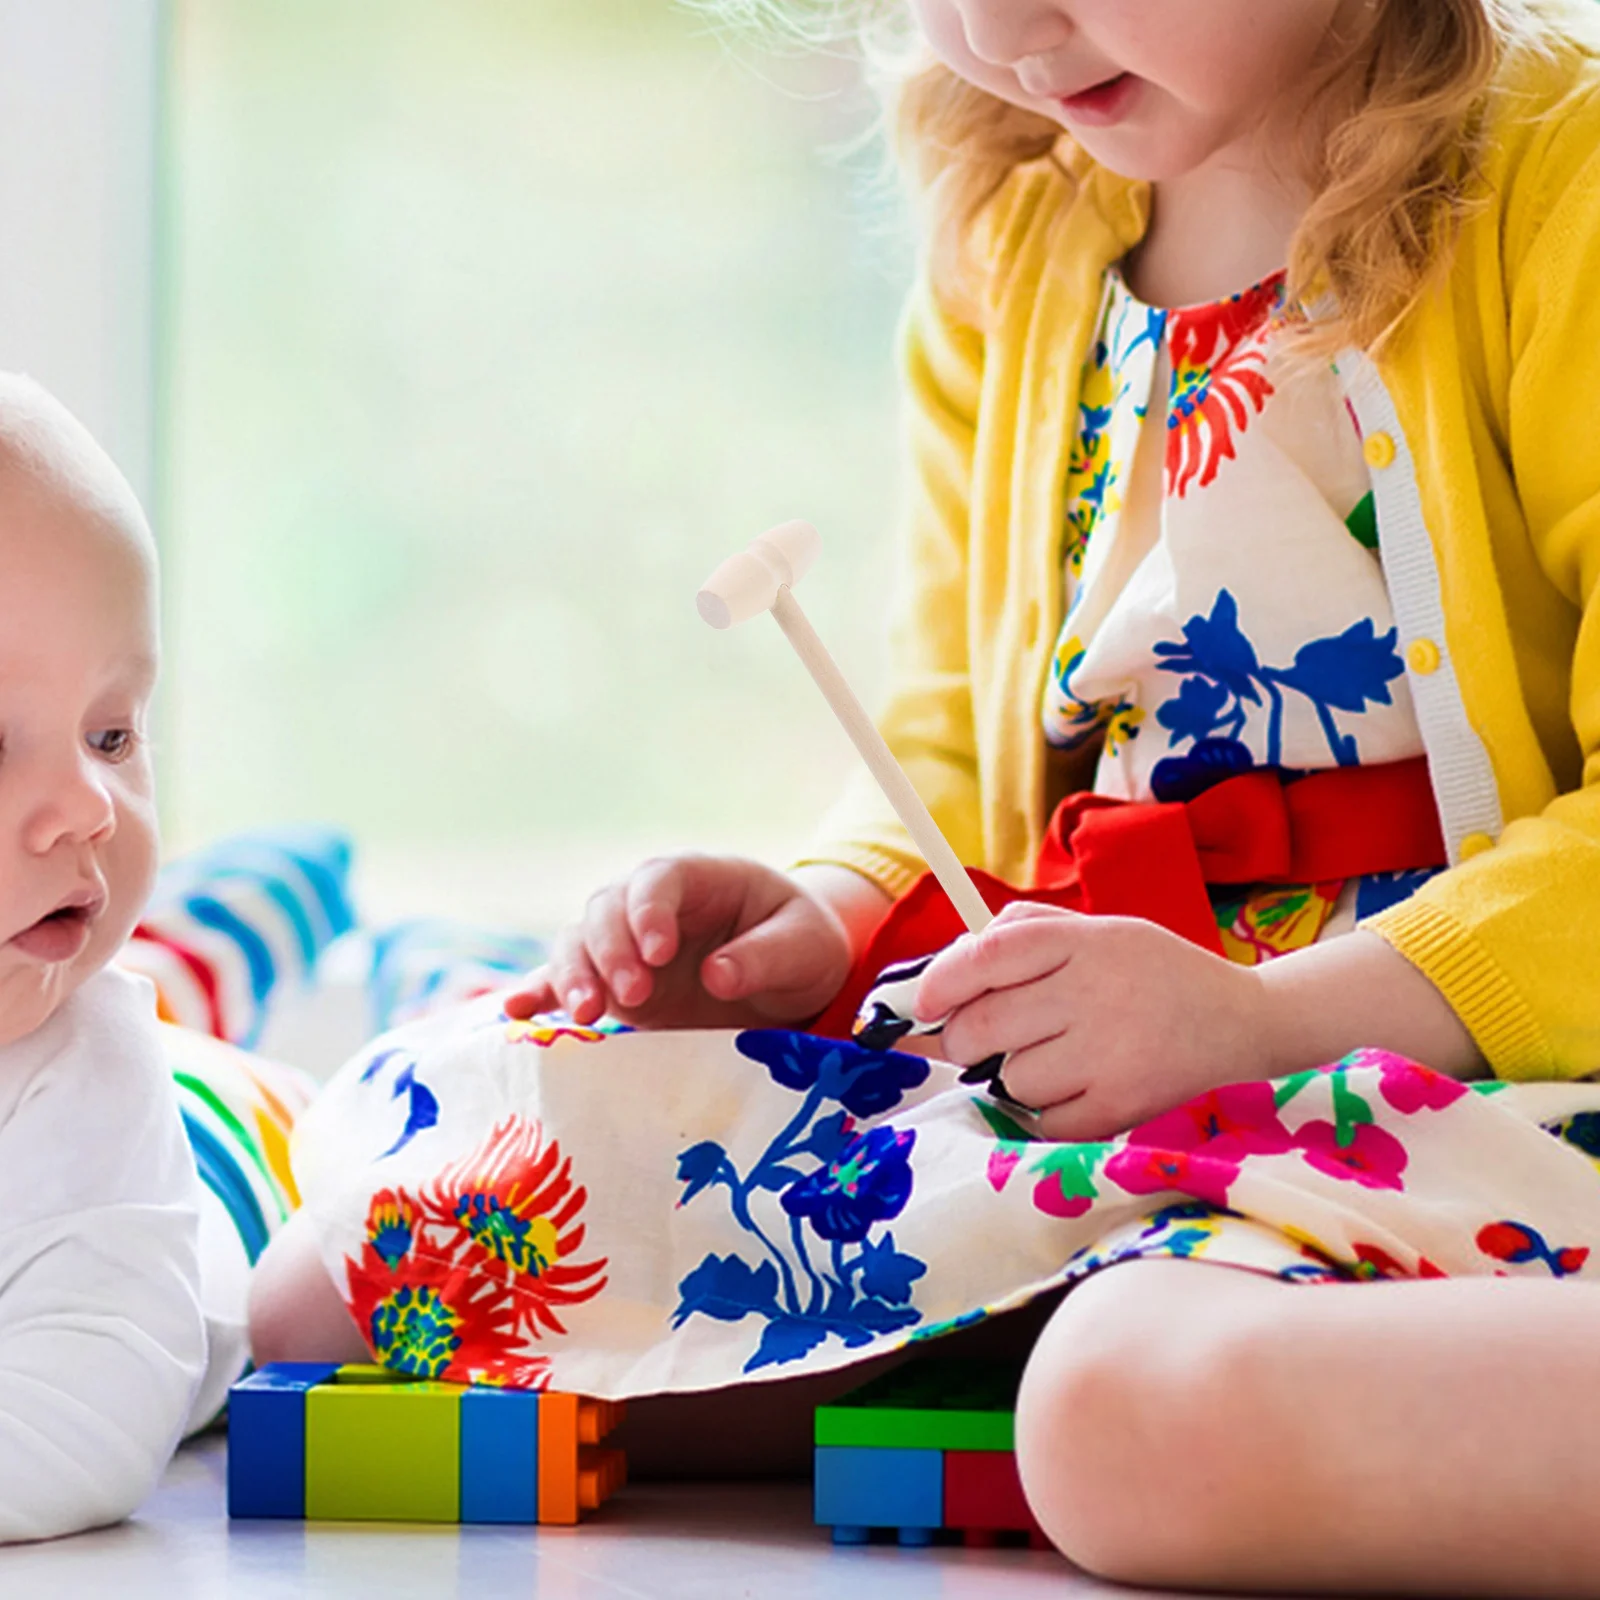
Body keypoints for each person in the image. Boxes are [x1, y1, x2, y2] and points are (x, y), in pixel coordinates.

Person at [256, 2, 1600, 1590]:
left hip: (1449, 1073)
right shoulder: (1021, 226)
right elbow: (956, 751)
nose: (998, 28)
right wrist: (824, 925)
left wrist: (1270, 1023)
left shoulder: (1554, 185)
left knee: (1128, 1420)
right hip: (1094, 1074)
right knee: (360, 1272)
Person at [0, 377, 207, 1541]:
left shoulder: (88, 1078)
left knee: (363, 1187)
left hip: (233, 1155)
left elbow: (88, 1416)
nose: (89, 807)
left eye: (112, 733)